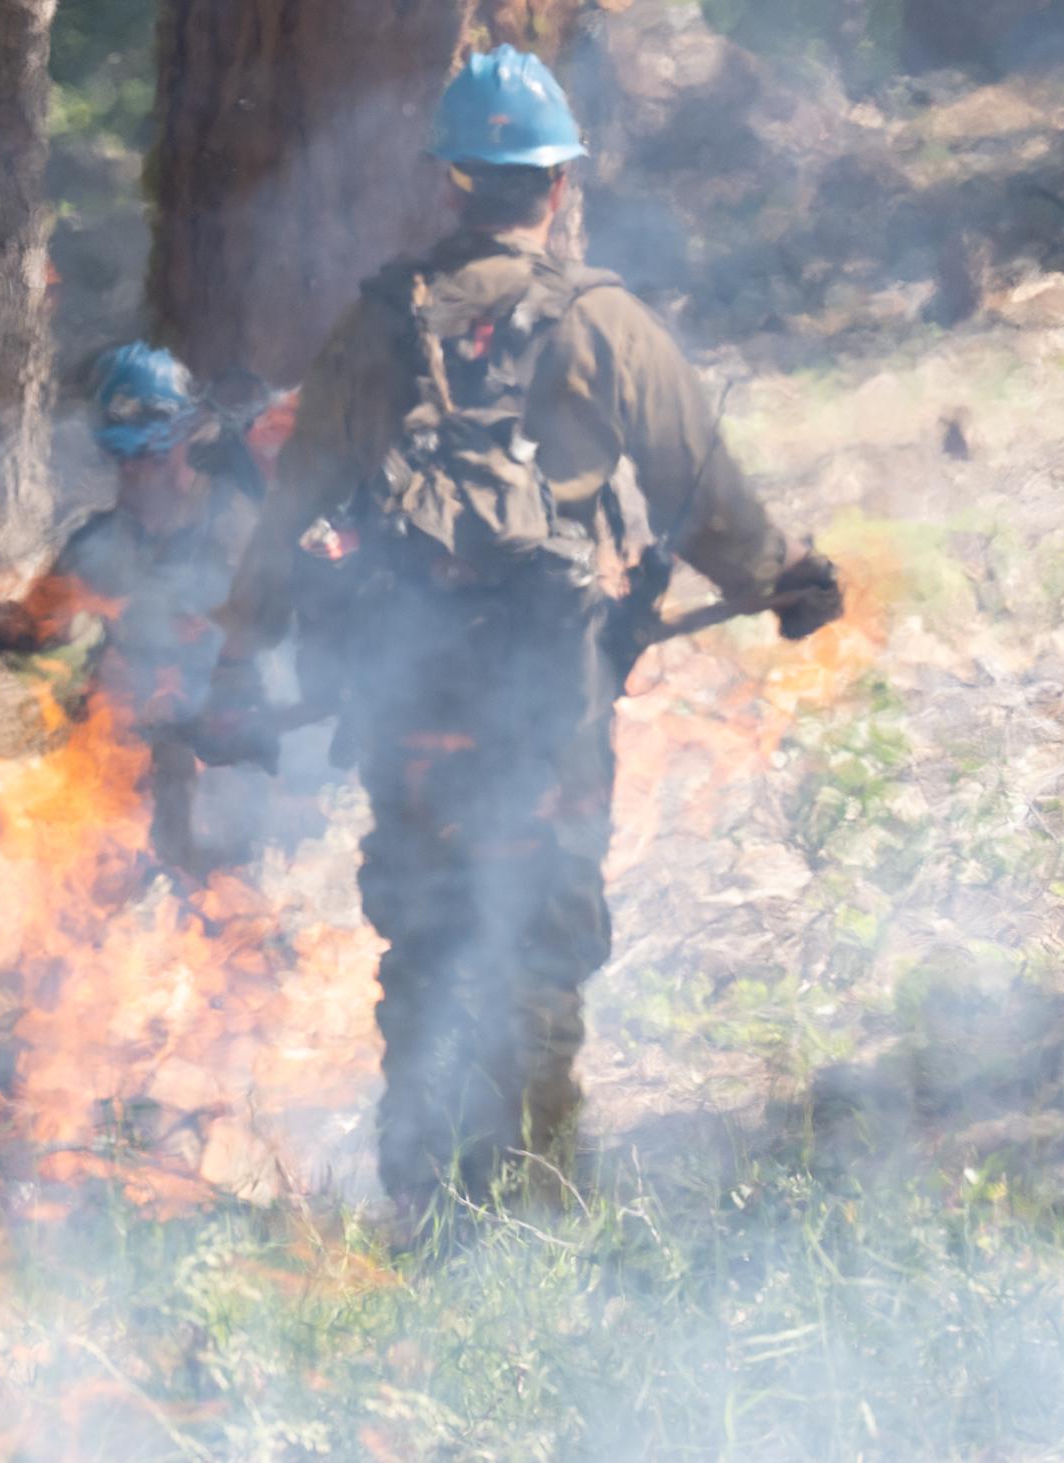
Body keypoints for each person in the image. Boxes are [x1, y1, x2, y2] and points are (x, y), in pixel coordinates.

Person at [203, 47, 842, 1212]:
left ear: (453, 179)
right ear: (555, 184)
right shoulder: (603, 322)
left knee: (423, 932)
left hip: (406, 693)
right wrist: (782, 577)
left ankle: (418, 1190)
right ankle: (538, 1200)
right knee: (539, 931)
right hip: (549, 691)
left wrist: (239, 659)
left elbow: (291, 509)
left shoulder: (375, 328)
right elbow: (703, 496)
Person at [0, 343, 295, 872]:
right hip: (136, 740)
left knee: (221, 840)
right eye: (125, 459)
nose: (139, 472)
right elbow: (39, 620)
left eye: (151, 454)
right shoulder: (103, 539)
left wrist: (205, 645)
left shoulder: (233, 524)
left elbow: (272, 631)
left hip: (230, 733)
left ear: (182, 441)